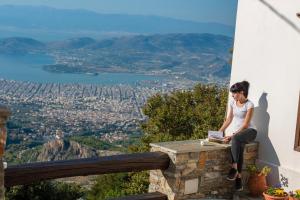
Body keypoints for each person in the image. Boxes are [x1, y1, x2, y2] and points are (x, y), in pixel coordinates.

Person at [218, 80, 257, 191]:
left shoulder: (249, 105)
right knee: (239, 148)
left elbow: (245, 125)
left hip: (250, 131)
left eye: (234, 94)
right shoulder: (232, 103)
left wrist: (231, 136)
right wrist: (219, 132)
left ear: (241, 92)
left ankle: (234, 167)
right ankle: (238, 179)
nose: (233, 96)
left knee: (235, 138)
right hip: (238, 134)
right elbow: (229, 119)